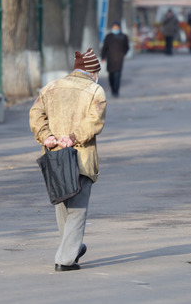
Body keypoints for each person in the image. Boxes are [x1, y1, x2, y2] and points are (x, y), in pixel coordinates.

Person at [29, 48, 107, 271]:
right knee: (78, 209)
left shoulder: (50, 88)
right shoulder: (95, 90)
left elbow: (35, 115)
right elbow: (94, 122)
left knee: (63, 205)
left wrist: (48, 137)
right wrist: (73, 138)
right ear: (92, 72)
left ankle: (71, 248)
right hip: (80, 156)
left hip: (54, 156)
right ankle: (65, 259)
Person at [101, 21, 130, 97]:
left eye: (117, 27)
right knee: (111, 75)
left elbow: (127, 47)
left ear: (119, 28)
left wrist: (123, 53)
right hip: (110, 58)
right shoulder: (108, 36)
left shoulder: (123, 36)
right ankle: (112, 88)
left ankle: (116, 91)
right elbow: (105, 47)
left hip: (119, 59)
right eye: (114, 27)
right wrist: (103, 57)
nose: (115, 29)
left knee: (117, 75)